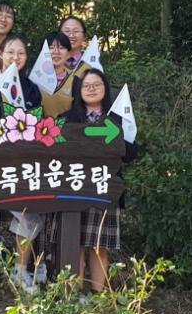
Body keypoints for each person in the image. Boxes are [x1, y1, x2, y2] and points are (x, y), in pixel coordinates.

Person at [0, 34, 42, 298]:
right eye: (10, 51)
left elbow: (36, 124)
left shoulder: (31, 88)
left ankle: (20, 272)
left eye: (21, 53)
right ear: (0, 53)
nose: (15, 57)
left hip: (19, 161)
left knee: (29, 213)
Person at [56, 69, 137, 293]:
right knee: (75, 244)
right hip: (74, 189)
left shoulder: (117, 118)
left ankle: (97, 295)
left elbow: (131, 154)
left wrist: (117, 137)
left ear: (105, 88)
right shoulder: (67, 119)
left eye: (97, 84)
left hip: (105, 190)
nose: (91, 89)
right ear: (79, 91)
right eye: (86, 85)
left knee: (100, 246)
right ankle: (75, 296)